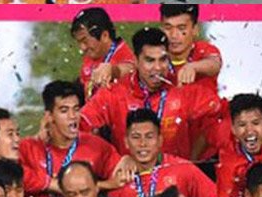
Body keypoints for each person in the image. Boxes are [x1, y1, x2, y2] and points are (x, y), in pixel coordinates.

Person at [81, 27, 223, 161]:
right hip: (129, 181)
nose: (157, 68)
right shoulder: (114, 93)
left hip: (176, 181)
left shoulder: (183, 90)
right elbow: (81, 126)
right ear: (136, 61)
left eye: (163, 60)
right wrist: (109, 162)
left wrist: (194, 158)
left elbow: (222, 116)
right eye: (150, 60)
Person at [18, 80, 127, 197]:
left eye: (76, 109)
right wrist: (50, 184)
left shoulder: (96, 146)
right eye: (64, 111)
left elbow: (121, 179)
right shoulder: (28, 147)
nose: (73, 116)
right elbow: (8, 176)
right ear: (49, 116)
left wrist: (128, 160)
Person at [70, 7, 135, 98]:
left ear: (104, 35)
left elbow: (131, 68)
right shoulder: (93, 53)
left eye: (85, 41)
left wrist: (112, 71)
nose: (82, 48)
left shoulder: (124, 54)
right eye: (79, 42)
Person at [158, 5, 221, 90]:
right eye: (168, 28)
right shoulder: (154, 54)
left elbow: (214, 64)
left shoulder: (203, 49)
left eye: (181, 28)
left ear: (195, 30)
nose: (173, 35)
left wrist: (193, 67)